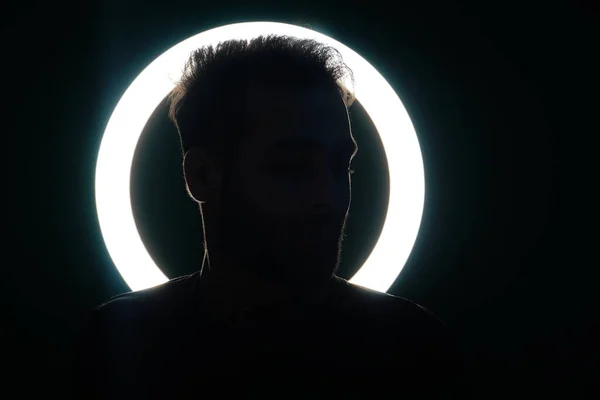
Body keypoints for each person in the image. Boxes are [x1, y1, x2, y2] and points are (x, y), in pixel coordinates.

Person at [73, 34, 471, 399]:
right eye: (293, 167)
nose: (329, 197)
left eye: (341, 166)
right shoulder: (120, 346)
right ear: (201, 176)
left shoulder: (411, 349)